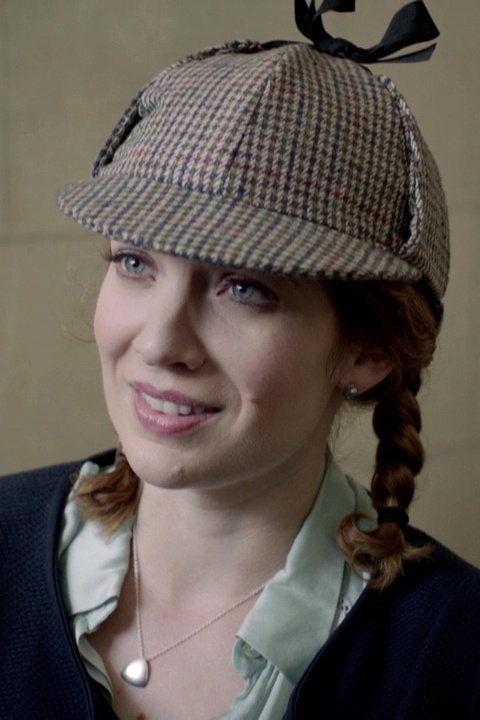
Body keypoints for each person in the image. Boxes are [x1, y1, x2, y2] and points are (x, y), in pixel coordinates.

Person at [2, 1, 480, 719]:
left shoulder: (459, 659)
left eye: (245, 288)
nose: (161, 343)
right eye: (135, 262)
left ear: (372, 349)